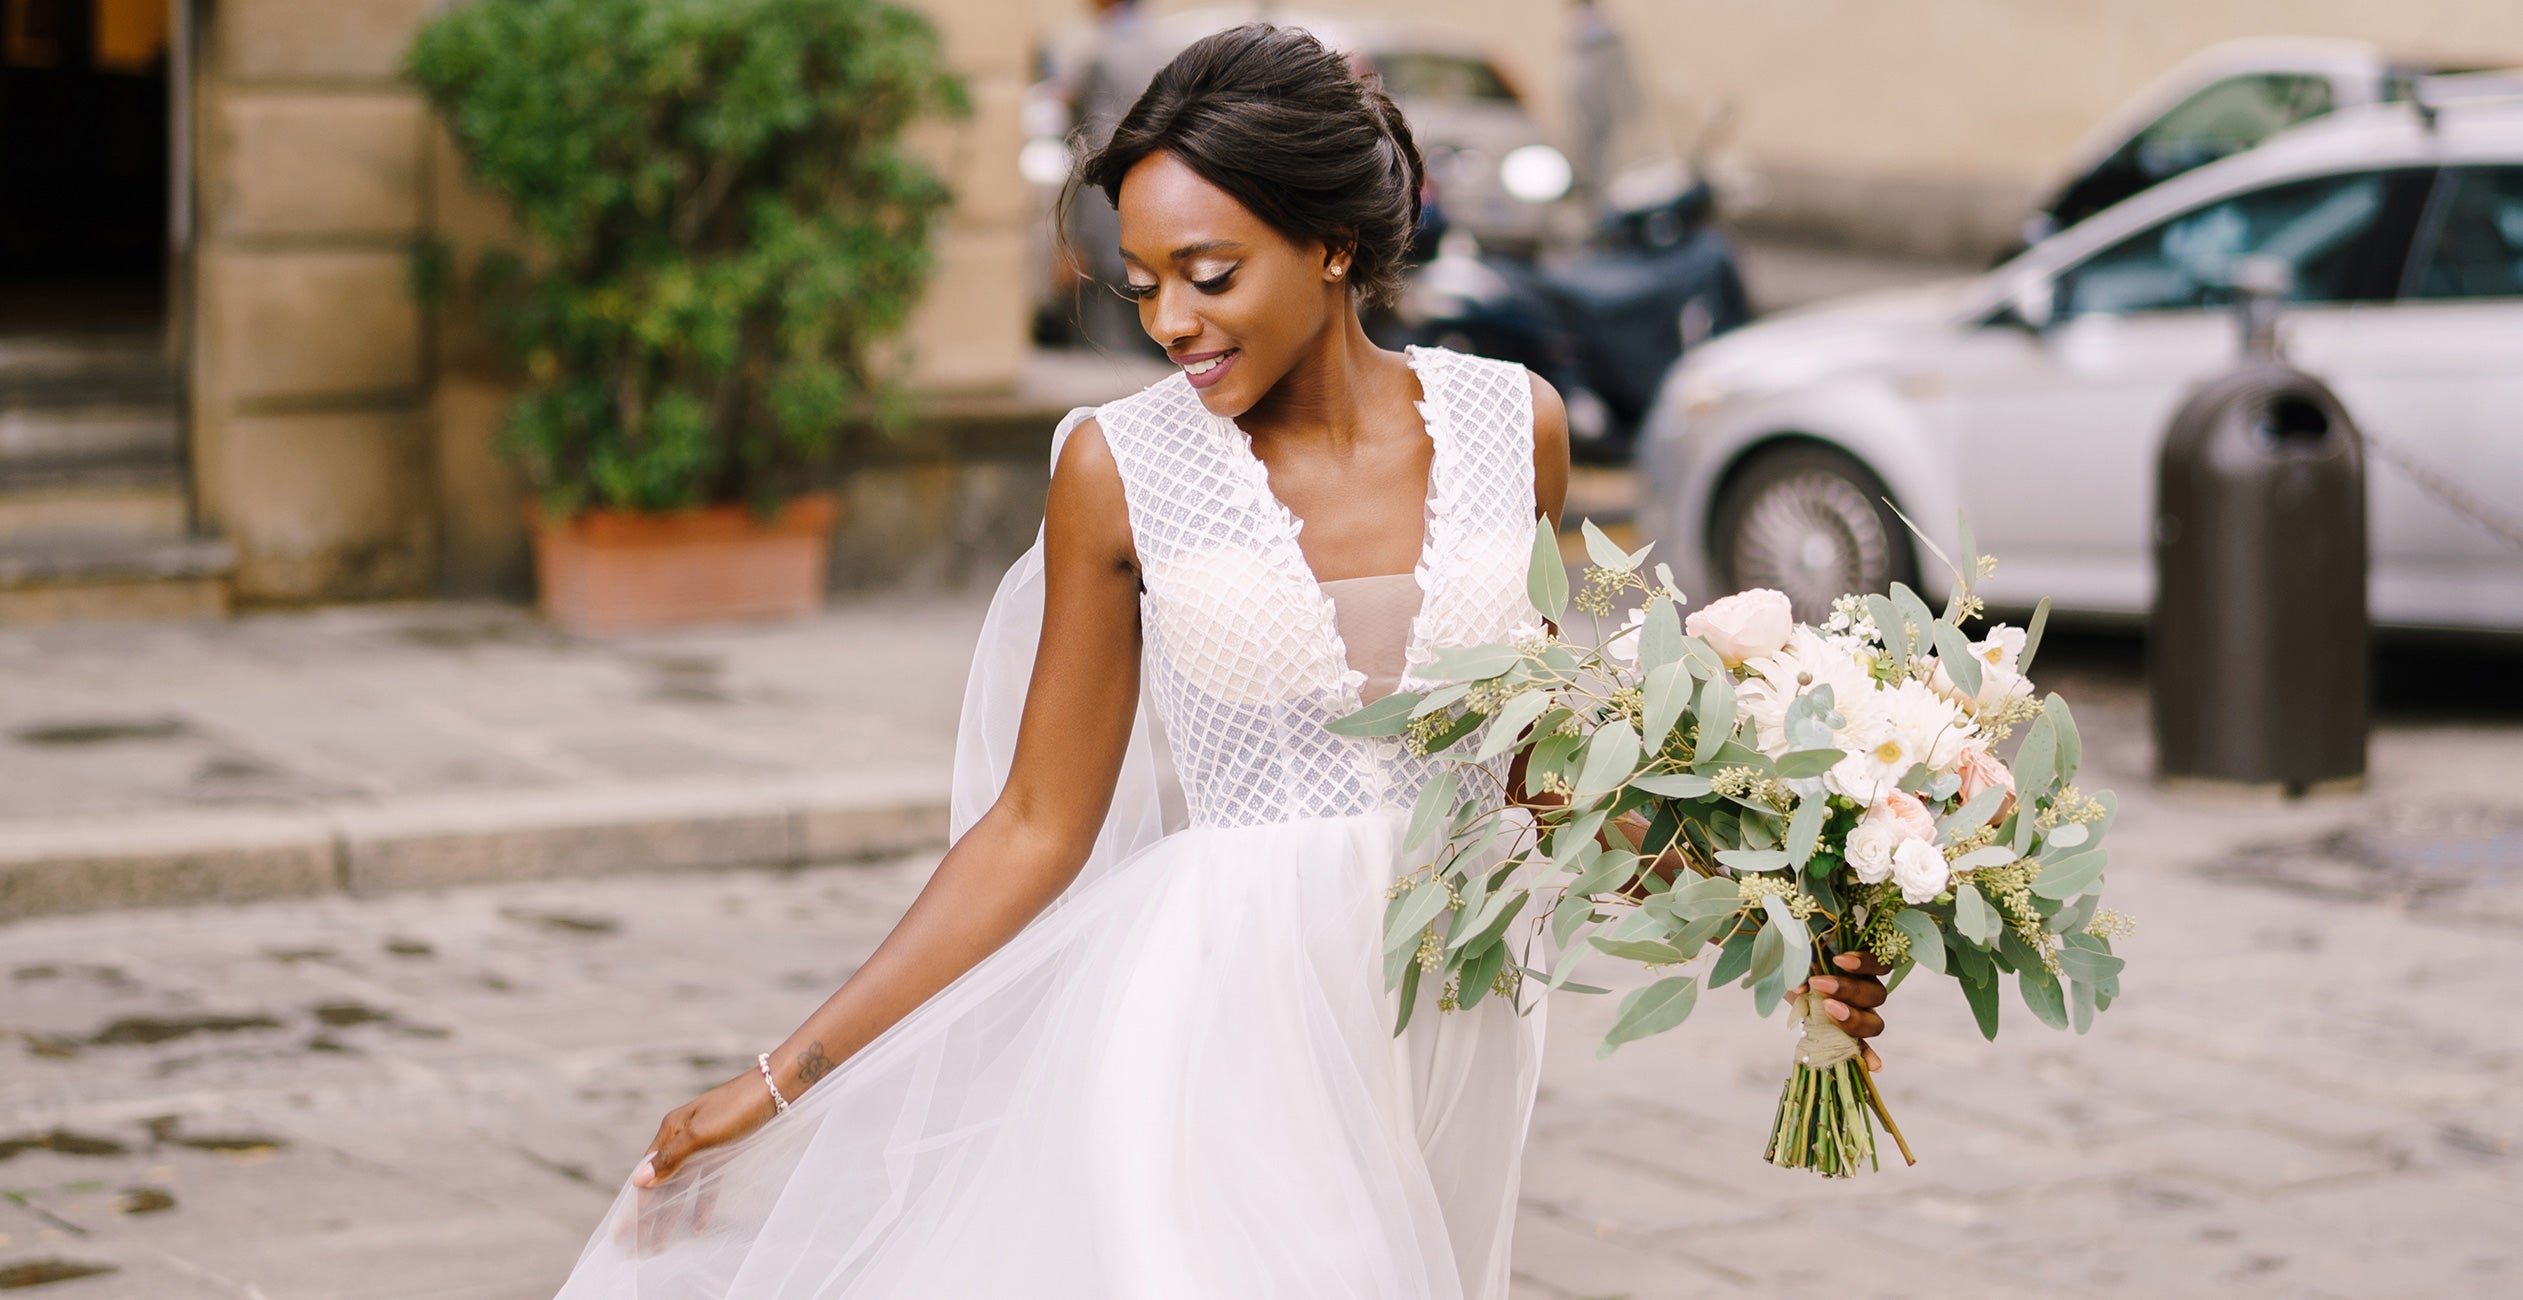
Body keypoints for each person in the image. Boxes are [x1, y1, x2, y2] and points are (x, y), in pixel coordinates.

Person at [550, 24, 1891, 1299]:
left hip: (1459, 1012)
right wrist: (781, 1082)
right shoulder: (1114, 469)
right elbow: (1031, 825)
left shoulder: (1512, 428)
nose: (1173, 322)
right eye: (1144, 288)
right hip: (1221, 1019)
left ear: (1328, 245)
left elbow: (1539, 773)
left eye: (1209, 273)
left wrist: (1793, 876)